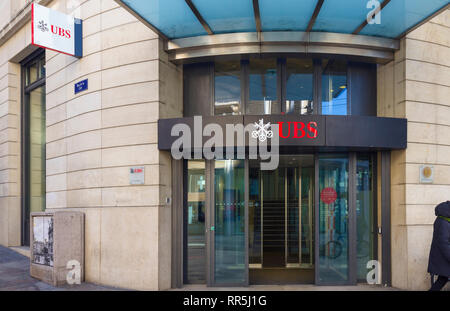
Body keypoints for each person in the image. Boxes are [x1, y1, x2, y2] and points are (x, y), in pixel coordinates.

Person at [428, 200, 450, 291]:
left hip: (442, 257)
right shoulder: (443, 223)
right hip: (443, 258)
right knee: (442, 279)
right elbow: (443, 242)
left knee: (442, 279)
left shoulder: (444, 221)